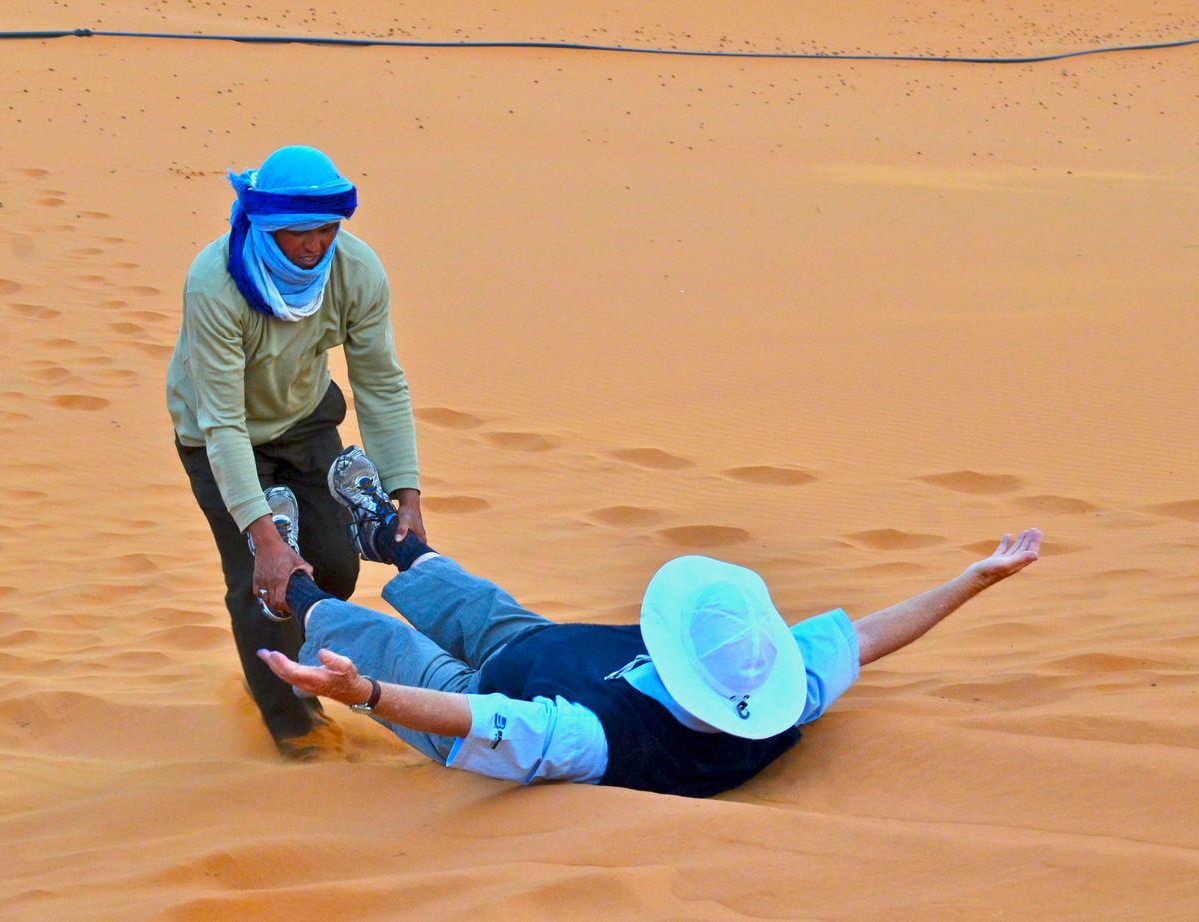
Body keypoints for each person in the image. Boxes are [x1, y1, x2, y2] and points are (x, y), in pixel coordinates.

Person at [256, 448, 1043, 797]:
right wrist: (969, 581)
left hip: (471, 696)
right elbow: (865, 639)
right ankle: (390, 538)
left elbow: (469, 715)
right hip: (537, 644)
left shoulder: (593, 744)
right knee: (459, 590)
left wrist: (365, 695)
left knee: (382, 642)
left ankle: (288, 586)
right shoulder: (775, 688)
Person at [166, 146, 425, 759]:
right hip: (217, 437)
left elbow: (381, 382)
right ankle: (297, 730)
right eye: (296, 234)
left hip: (306, 421)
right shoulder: (217, 283)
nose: (313, 247)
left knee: (334, 568)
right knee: (264, 583)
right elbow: (223, 421)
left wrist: (406, 490)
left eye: (326, 231)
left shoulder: (356, 272)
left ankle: (300, 654)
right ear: (262, 226)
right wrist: (265, 540)